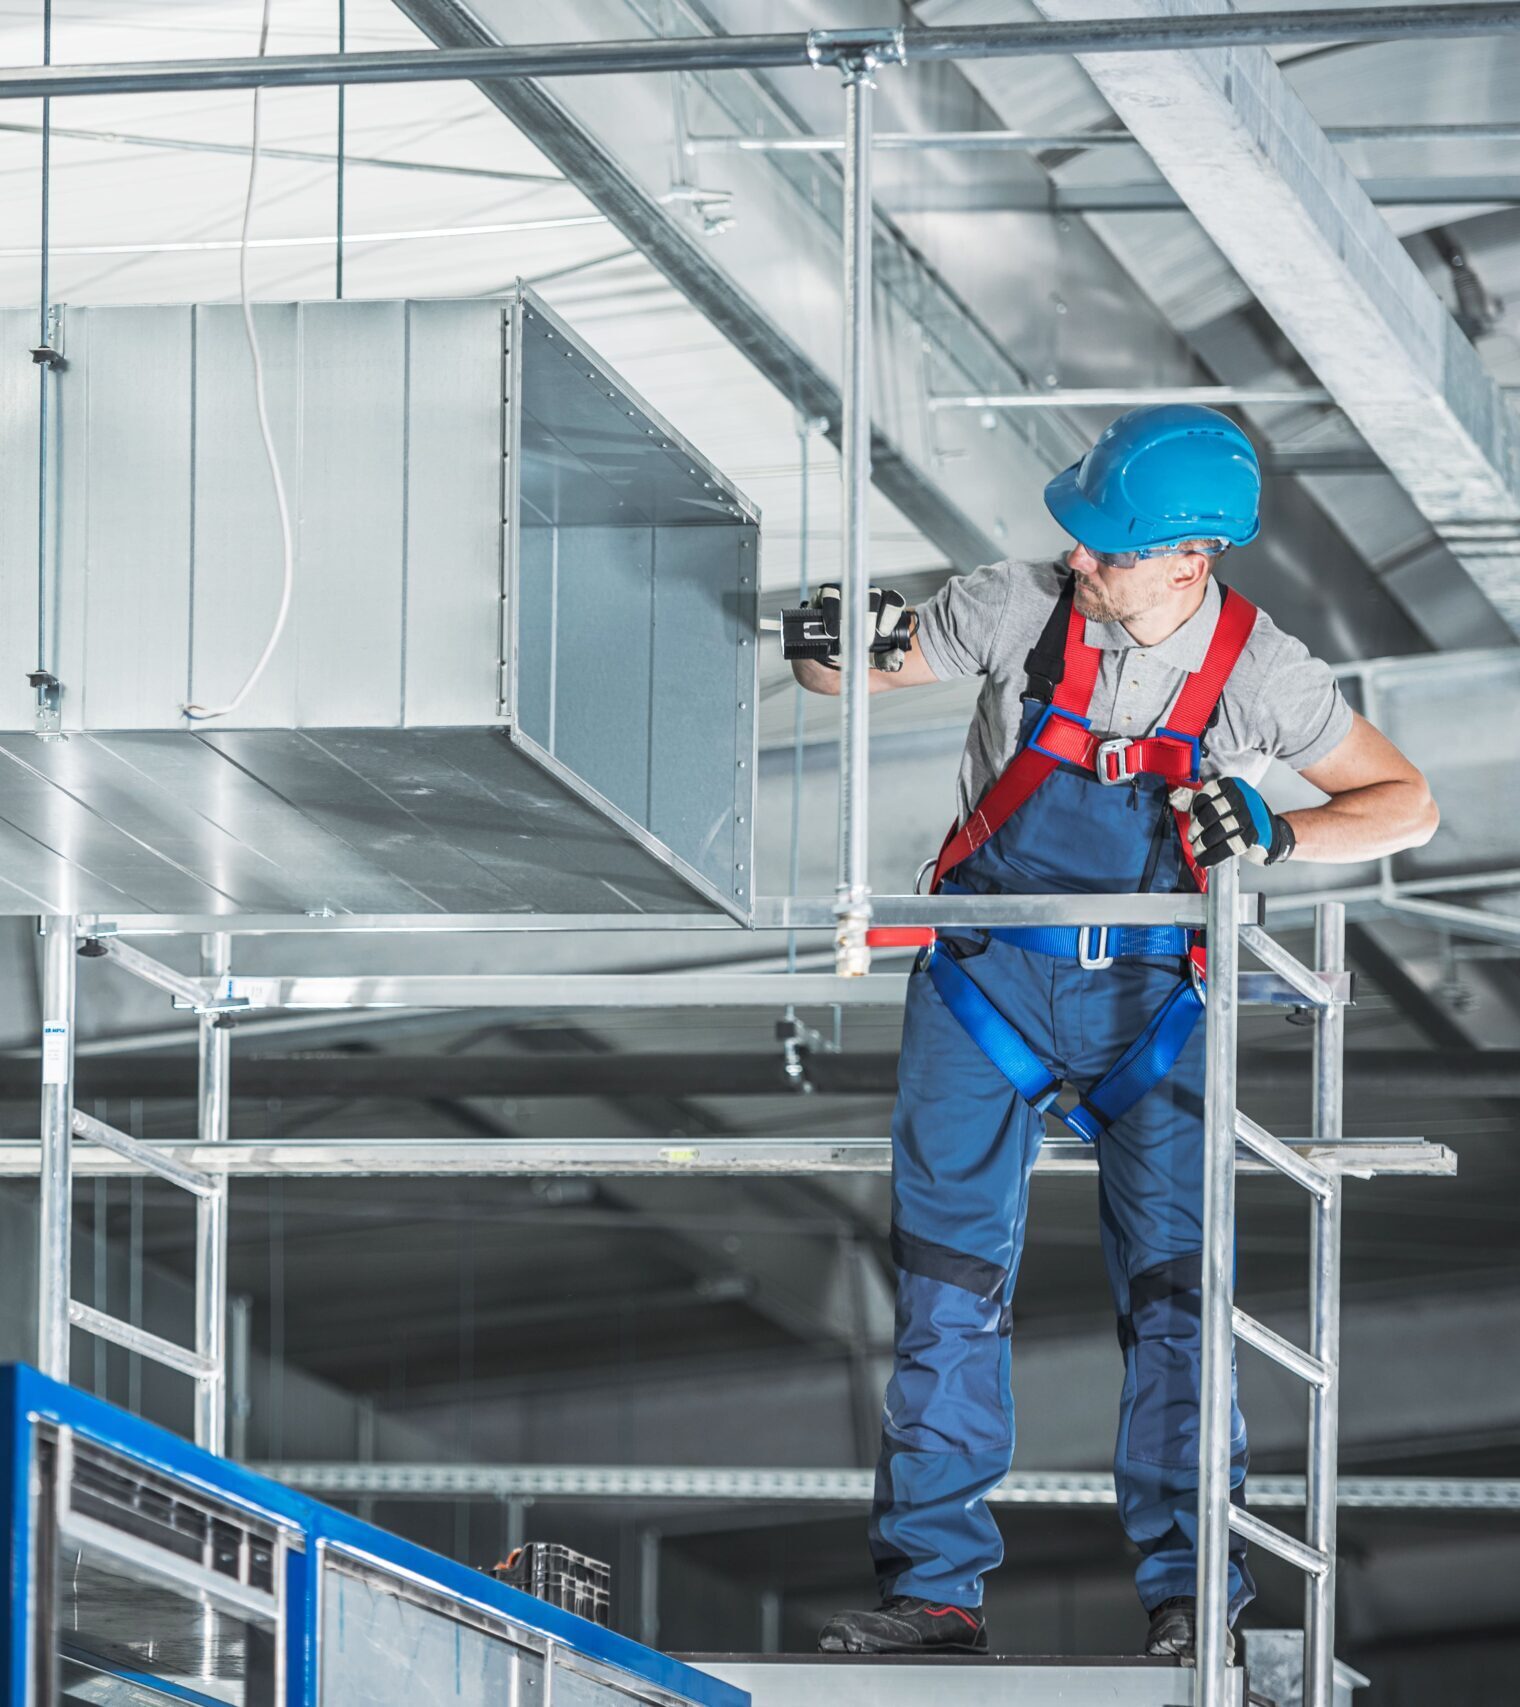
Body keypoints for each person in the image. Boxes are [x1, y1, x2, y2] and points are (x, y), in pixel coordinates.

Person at [793, 405, 1438, 1660]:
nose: (1077, 560)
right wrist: (821, 646)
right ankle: (932, 1593)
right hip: (984, 983)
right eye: (1080, 538)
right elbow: (851, 672)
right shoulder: (1013, 607)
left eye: (1108, 547)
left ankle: (1192, 1602)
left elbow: (1405, 805)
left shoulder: (1264, 673)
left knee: (1178, 1303)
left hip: (1158, 1007)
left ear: (1190, 559)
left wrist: (1280, 831)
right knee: (944, 1290)